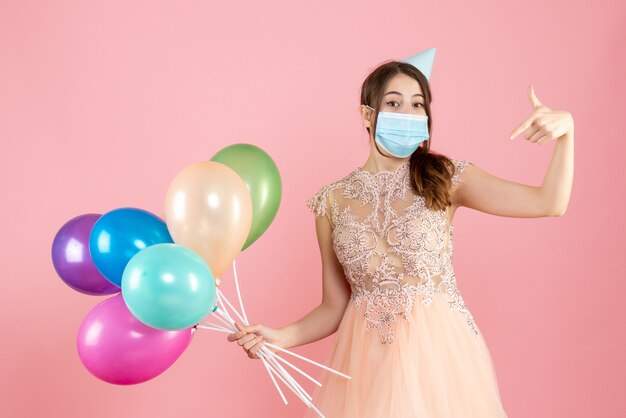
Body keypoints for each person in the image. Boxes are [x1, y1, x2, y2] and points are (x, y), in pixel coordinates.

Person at [226, 50, 574, 417]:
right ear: (367, 114)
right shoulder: (330, 202)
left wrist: (566, 133)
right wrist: (280, 337)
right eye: (394, 103)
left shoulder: (448, 177)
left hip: (438, 360)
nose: (408, 114)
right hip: (365, 363)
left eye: (417, 105)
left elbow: (548, 202)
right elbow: (334, 306)